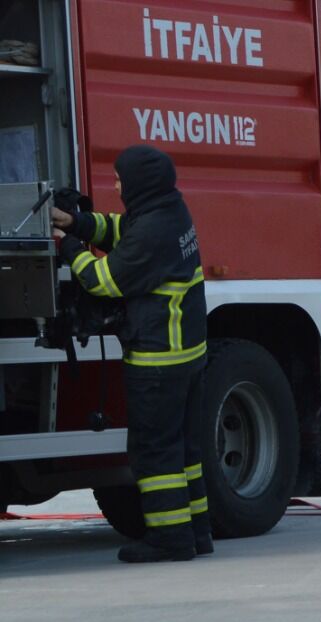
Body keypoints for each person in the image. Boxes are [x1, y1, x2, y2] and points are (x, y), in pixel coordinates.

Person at [51, 145, 211, 561]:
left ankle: (170, 540)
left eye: (120, 177)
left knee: (155, 454)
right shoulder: (169, 212)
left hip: (159, 361)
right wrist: (81, 223)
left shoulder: (154, 230)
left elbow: (102, 279)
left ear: (140, 182)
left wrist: (67, 246)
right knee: (185, 453)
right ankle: (197, 532)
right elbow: (121, 229)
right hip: (185, 357)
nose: (115, 184)